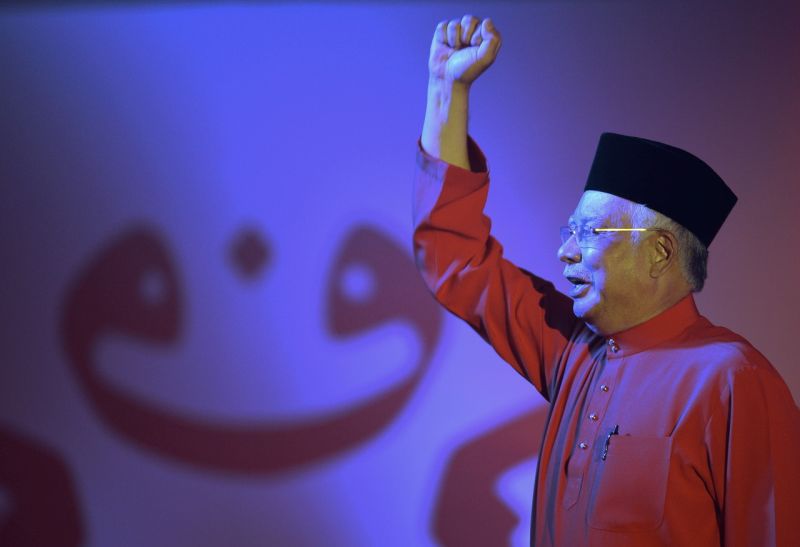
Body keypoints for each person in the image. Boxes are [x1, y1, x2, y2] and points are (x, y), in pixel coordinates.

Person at [413, 14, 800, 547]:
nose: (564, 251)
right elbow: (456, 259)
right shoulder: (575, 352)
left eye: (589, 233)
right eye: (568, 230)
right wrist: (446, 89)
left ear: (659, 252)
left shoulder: (734, 381)